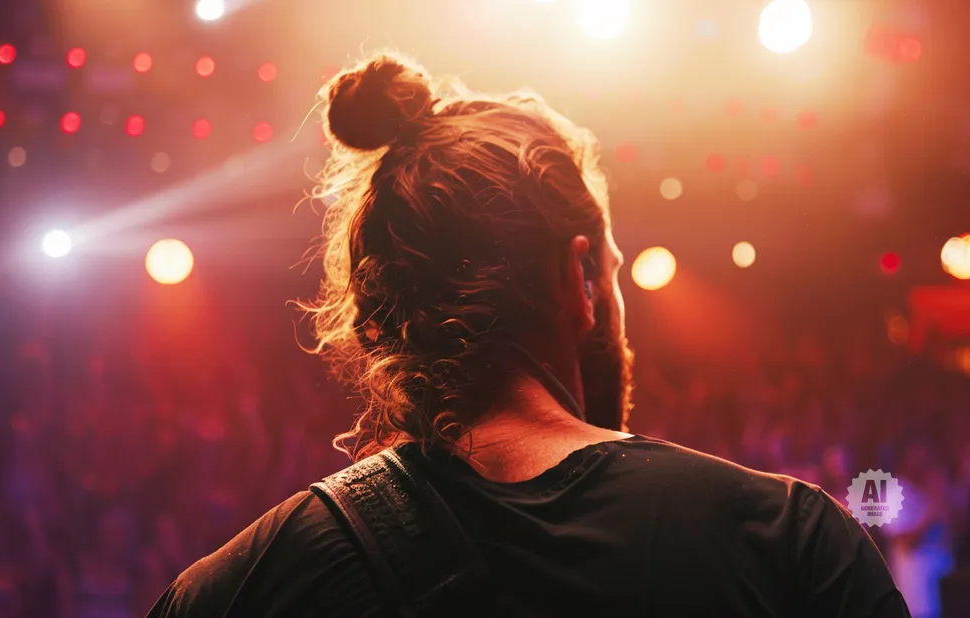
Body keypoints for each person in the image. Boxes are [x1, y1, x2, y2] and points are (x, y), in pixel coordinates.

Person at [147, 52, 909, 617]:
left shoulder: (229, 593)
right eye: (609, 271)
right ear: (577, 280)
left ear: (377, 320)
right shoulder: (789, 543)